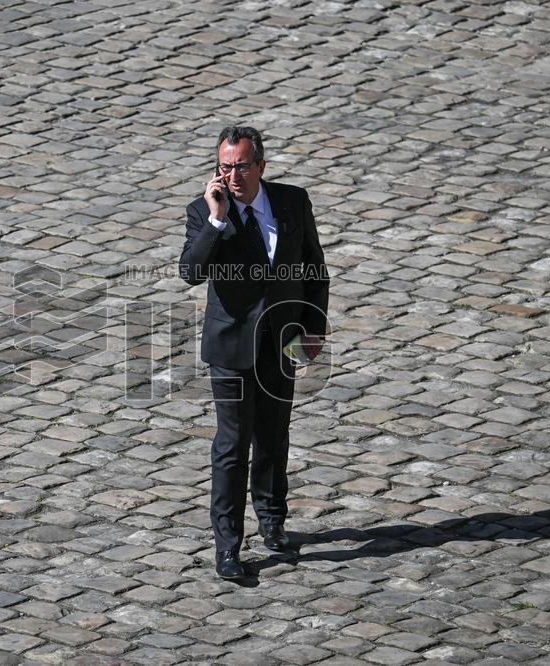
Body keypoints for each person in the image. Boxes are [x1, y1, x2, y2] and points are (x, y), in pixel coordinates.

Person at [179, 126, 330, 580]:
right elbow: (190, 271)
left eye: (241, 167)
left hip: (281, 340)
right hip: (231, 346)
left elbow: (314, 267)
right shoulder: (204, 211)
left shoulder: (292, 201)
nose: (232, 176)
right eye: (224, 168)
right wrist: (216, 219)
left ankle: (272, 520)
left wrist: (313, 329)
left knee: (273, 435)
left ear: (261, 166)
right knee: (232, 445)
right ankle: (228, 546)